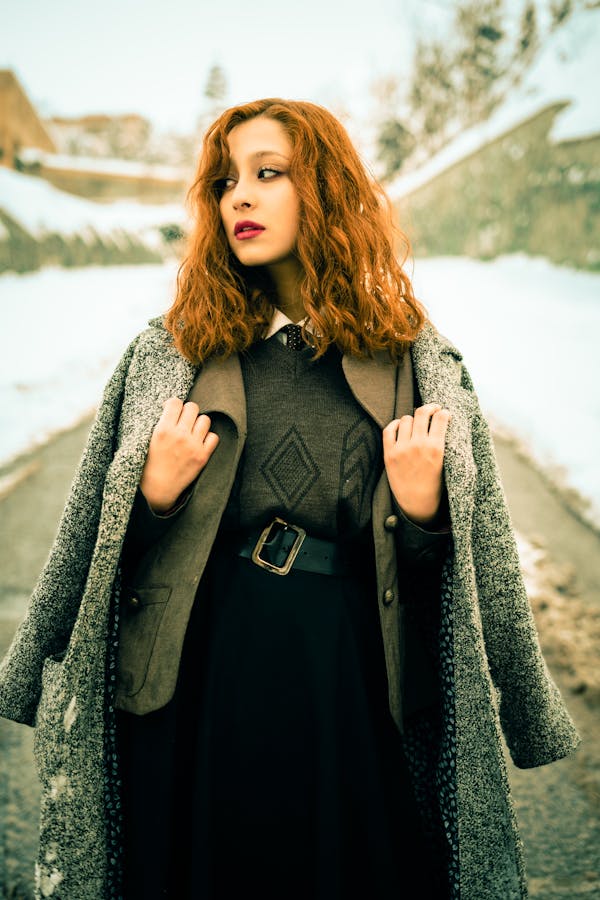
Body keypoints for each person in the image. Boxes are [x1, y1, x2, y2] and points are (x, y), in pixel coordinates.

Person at [0, 98, 580, 900]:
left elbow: (462, 583)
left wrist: (422, 515)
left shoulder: (412, 358)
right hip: (194, 669)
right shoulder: (169, 351)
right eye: (226, 180)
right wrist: (154, 496)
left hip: (345, 672)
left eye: (268, 173)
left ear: (329, 190)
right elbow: (89, 546)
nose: (239, 195)